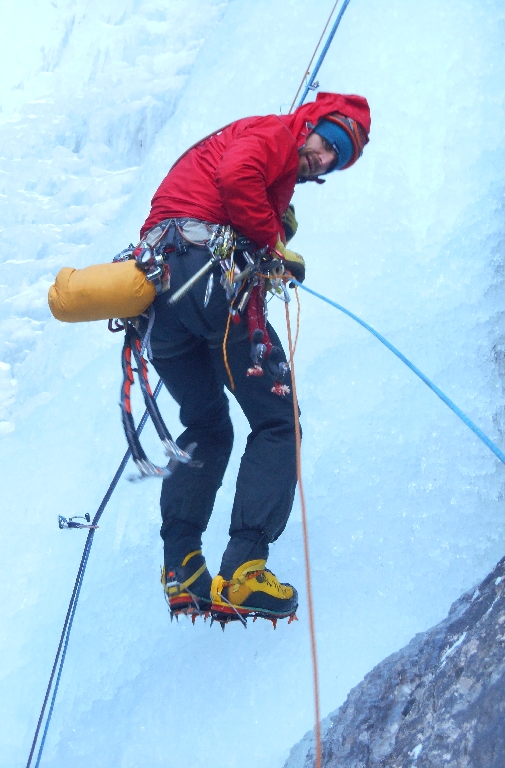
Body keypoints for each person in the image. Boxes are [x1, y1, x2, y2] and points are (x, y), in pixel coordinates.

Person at [140, 92, 371, 624]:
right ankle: (244, 569)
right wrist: (271, 241)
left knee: (206, 424)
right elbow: (237, 177)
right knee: (275, 421)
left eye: (339, 159)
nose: (326, 159)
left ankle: (182, 567)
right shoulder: (275, 136)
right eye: (329, 143)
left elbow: (229, 184)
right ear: (309, 124)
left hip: (162, 300)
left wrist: (267, 232)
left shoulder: (265, 145)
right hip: (206, 278)